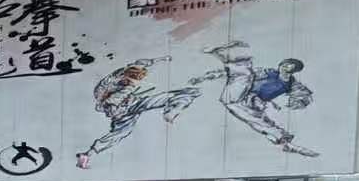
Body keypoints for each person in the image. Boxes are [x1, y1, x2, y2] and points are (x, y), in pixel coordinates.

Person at [188, 39, 320, 157]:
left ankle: (286, 145)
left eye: (289, 66)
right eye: (285, 64)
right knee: (245, 73)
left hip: (245, 103)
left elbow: (305, 96)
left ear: (293, 70)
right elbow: (229, 74)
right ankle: (217, 53)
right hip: (237, 93)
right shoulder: (269, 72)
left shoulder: (291, 84)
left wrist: (298, 102)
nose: (284, 66)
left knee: (260, 121)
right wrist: (203, 78)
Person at [74, 57, 201, 169]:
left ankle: (86, 156)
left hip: (126, 107)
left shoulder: (123, 74)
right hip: (124, 109)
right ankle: (173, 109)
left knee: (119, 133)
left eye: (137, 79)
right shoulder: (118, 87)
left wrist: (162, 59)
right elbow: (107, 101)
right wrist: (118, 105)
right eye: (132, 79)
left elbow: (143, 63)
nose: (134, 82)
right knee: (120, 132)